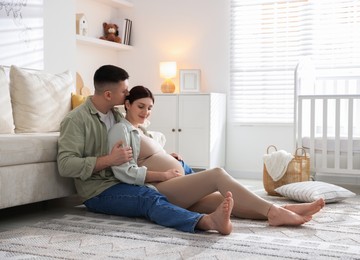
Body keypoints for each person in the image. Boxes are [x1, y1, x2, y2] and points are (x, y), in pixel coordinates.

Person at [108, 85, 326, 227]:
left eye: (150, 107)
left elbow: (147, 155)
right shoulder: (121, 129)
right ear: (127, 104)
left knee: (225, 201)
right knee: (217, 175)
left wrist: (170, 157)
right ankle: (274, 211)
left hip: (177, 184)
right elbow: (126, 171)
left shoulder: (142, 129)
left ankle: (285, 211)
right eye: (140, 106)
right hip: (161, 188)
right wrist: (163, 174)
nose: (146, 111)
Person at [57, 65, 234, 235]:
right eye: (124, 91)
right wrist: (109, 160)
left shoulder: (116, 115)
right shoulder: (76, 120)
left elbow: (140, 141)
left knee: (185, 173)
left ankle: (252, 211)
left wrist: (164, 156)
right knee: (148, 197)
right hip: (99, 191)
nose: (128, 93)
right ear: (109, 94)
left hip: (125, 180)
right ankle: (206, 222)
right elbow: (65, 165)